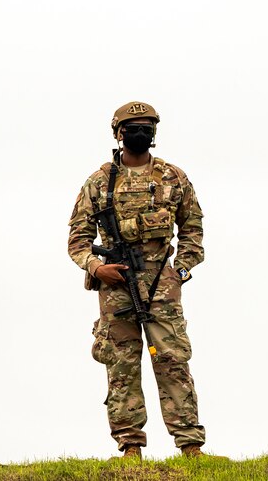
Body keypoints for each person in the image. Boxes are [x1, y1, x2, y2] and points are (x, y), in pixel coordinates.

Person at [67, 101, 212, 460]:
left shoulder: (173, 177)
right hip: (116, 285)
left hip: (162, 283)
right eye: (132, 128)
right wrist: (96, 268)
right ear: (118, 133)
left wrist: (179, 272)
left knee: (173, 360)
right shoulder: (99, 182)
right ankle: (130, 445)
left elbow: (193, 229)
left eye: (146, 127)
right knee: (121, 364)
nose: (139, 133)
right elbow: (78, 239)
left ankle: (190, 445)